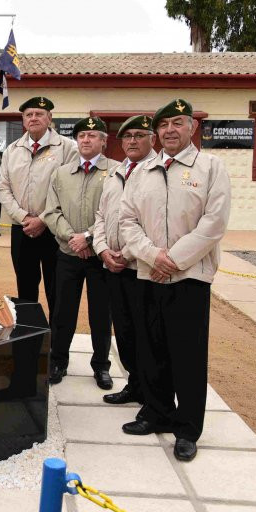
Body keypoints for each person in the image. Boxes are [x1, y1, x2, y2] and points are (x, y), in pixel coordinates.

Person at [120, 99, 231, 462]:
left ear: (192, 128)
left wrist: (174, 260)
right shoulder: (143, 170)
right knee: (151, 348)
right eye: (163, 124)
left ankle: (187, 429)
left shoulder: (212, 168)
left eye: (177, 123)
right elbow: (127, 222)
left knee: (188, 355)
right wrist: (154, 257)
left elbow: (213, 224)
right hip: (148, 274)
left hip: (190, 278)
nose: (169, 130)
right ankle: (157, 412)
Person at [43, 116, 117, 389]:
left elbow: (116, 215)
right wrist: (72, 239)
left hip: (100, 257)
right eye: (82, 135)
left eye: (92, 135)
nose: (86, 140)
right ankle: (58, 359)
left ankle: (101, 366)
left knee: (101, 313)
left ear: (103, 141)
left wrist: (88, 238)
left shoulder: (117, 172)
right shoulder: (61, 173)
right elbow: (51, 211)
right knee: (63, 312)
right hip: (67, 253)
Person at [92, 115, 157, 405]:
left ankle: (151, 392)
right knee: (124, 330)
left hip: (139, 267)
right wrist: (103, 249)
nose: (132, 140)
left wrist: (126, 253)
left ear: (152, 139)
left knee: (146, 334)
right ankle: (134, 384)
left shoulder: (156, 172)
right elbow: (101, 216)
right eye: (127, 136)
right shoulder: (117, 172)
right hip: (112, 266)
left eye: (139, 135)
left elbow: (153, 224)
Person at [0, 97, 78, 320]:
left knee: (56, 288)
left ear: (49, 118)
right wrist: (24, 217)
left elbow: (69, 189)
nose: (34, 118)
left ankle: (56, 344)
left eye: (39, 114)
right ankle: (29, 337)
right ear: (23, 120)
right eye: (29, 115)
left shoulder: (67, 148)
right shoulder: (12, 150)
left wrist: (43, 219)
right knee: (25, 288)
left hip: (54, 230)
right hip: (22, 229)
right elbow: (3, 189)